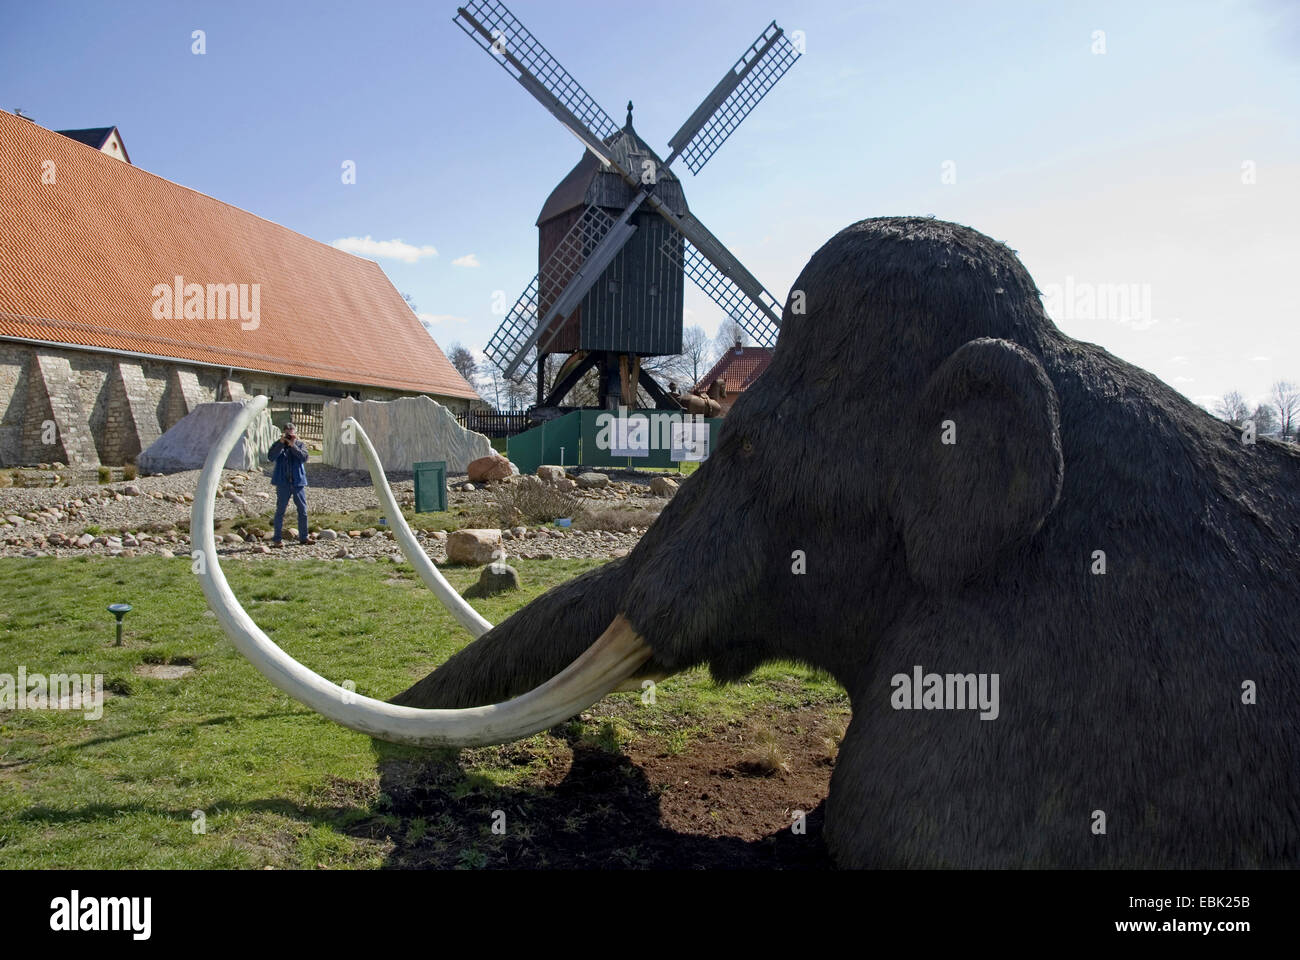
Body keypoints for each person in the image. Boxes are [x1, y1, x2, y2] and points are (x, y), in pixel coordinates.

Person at [268, 421, 310, 546]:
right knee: (280, 511)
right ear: (283, 433)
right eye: (287, 433)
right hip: (283, 483)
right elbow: (271, 457)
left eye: (291, 433)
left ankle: (304, 537)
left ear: (295, 433)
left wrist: (293, 446)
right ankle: (277, 539)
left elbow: (304, 458)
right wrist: (281, 444)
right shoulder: (278, 445)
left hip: (298, 483)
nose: (289, 436)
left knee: (302, 511)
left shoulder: (300, 445)